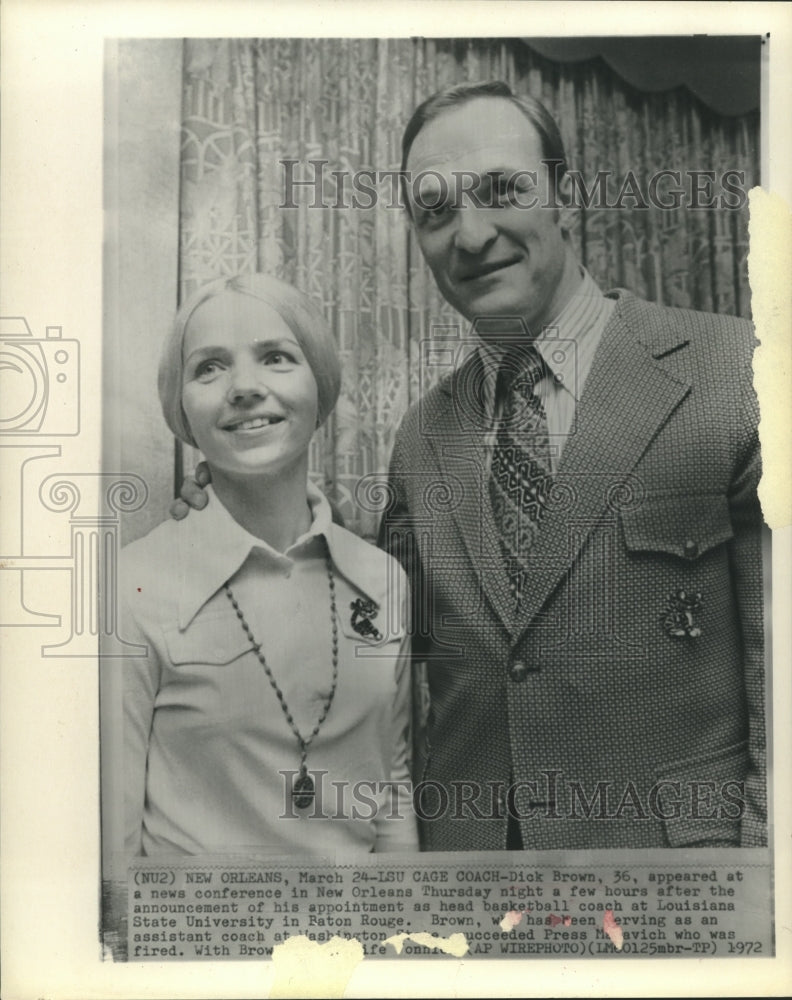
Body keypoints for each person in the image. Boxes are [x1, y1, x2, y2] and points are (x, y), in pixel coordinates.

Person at [176, 82, 766, 853]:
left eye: (501, 191)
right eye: (436, 211)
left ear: (565, 195)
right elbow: (372, 634)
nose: (472, 234)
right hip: (469, 890)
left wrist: (762, 894)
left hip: (673, 891)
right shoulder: (422, 436)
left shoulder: (738, 375)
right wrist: (250, 514)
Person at [121, 273, 418, 857]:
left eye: (276, 357)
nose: (244, 388)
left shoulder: (384, 581)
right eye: (209, 367)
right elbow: (114, 850)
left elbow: (392, 792)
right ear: (181, 408)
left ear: (320, 387)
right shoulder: (132, 587)